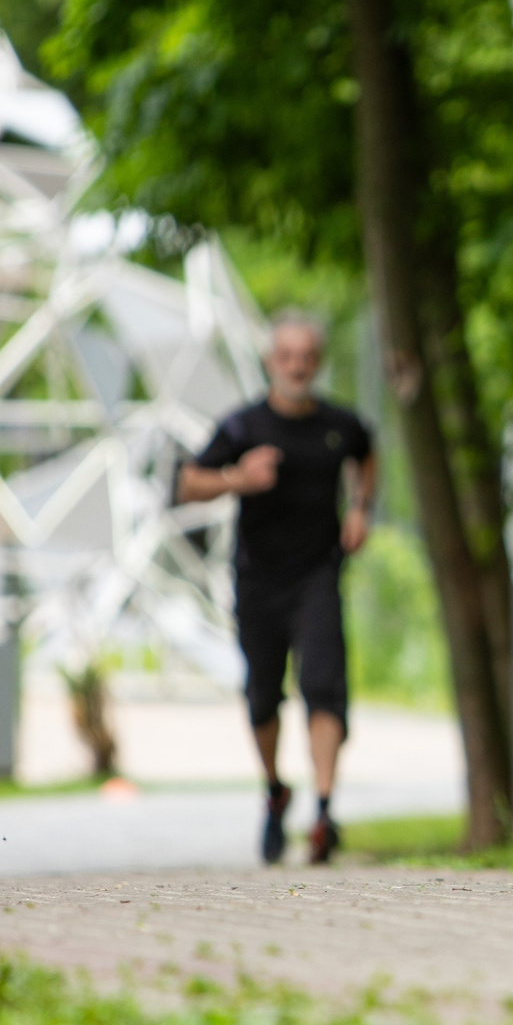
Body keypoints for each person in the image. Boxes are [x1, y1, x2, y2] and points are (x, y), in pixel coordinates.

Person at [180, 313, 377, 865]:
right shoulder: (244, 427)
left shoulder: (340, 424)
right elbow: (188, 482)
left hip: (318, 575)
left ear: (317, 361)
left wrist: (361, 509)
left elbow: (367, 452)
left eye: (307, 357)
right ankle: (274, 791)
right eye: (287, 356)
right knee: (263, 697)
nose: (297, 366)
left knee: (323, 686)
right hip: (258, 578)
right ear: (272, 361)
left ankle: (324, 811)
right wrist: (235, 480)